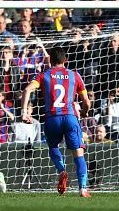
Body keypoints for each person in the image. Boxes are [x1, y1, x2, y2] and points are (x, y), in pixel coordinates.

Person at [20, 47, 92, 198]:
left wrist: (24, 112)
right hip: (70, 117)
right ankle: (83, 188)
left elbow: (26, 90)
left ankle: (61, 170)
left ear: (50, 60)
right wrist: (84, 112)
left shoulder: (43, 75)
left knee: (53, 146)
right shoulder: (75, 75)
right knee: (78, 152)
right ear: (65, 60)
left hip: (52, 118)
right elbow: (86, 102)